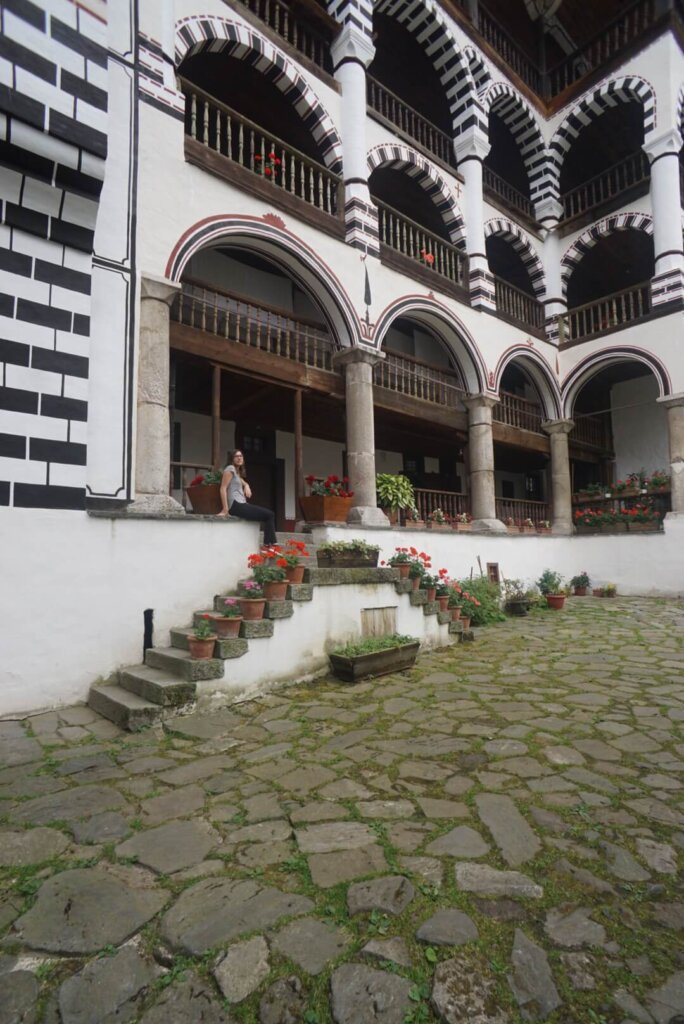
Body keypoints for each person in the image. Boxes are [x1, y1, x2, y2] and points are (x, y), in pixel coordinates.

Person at [216, 449, 277, 545]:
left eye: (241, 456)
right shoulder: (230, 469)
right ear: (232, 459)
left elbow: (241, 480)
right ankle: (270, 545)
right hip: (236, 505)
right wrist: (225, 509)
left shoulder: (236, 472)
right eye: (236, 456)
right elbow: (223, 488)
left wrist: (246, 485)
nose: (239, 458)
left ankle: (269, 544)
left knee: (269, 515)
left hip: (241, 504)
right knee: (269, 515)